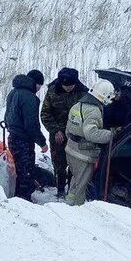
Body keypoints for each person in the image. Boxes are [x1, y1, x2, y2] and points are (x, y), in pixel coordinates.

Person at [65, 80, 118, 206]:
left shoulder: (77, 105)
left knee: (75, 181)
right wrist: (112, 134)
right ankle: (75, 210)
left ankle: (69, 204)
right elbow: (91, 134)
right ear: (105, 96)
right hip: (82, 155)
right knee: (80, 186)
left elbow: (68, 129)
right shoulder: (93, 110)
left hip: (71, 149)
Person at [40, 67, 88, 198]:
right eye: (65, 86)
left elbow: (88, 115)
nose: (68, 88)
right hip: (58, 135)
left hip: (76, 135)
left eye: (71, 85)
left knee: (75, 164)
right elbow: (45, 113)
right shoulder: (52, 91)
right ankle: (60, 190)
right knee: (59, 163)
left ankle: (72, 191)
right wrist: (55, 130)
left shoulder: (83, 93)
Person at [3, 70, 48, 202]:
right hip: (23, 140)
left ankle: (17, 194)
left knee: (17, 169)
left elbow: (8, 115)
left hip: (12, 136)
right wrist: (42, 142)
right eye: (39, 86)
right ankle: (24, 201)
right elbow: (31, 125)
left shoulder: (13, 92)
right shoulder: (30, 97)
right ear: (36, 83)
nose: (39, 90)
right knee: (26, 172)